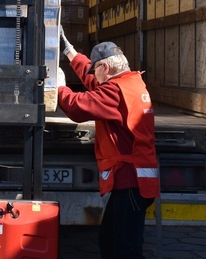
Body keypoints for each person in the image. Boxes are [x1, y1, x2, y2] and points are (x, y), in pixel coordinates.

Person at [57, 29, 160, 259]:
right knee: (110, 242)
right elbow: (92, 79)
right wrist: (70, 52)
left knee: (125, 250)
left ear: (105, 67)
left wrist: (58, 86)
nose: (93, 75)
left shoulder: (114, 92)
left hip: (131, 181)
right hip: (133, 182)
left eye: (96, 69)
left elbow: (77, 106)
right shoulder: (130, 83)